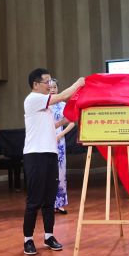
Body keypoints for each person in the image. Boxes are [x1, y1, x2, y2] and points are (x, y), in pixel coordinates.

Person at [22, 68, 84, 256]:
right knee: (34, 200)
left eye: (51, 82)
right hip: (35, 155)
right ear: (35, 84)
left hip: (50, 153)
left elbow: (53, 125)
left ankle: (49, 236)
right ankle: (28, 240)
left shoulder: (44, 106)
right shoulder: (33, 99)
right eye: (47, 82)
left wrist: (72, 115)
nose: (50, 85)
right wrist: (79, 83)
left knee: (49, 199)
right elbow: (63, 95)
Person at [49, 80, 75, 215]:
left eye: (55, 87)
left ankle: (60, 203)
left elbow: (72, 122)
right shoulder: (45, 105)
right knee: (48, 172)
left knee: (60, 172)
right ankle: (48, 204)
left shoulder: (63, 105)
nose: (53, 89)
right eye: (50, 87)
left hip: (59, 141)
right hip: (46, 140)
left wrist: (61, 134)